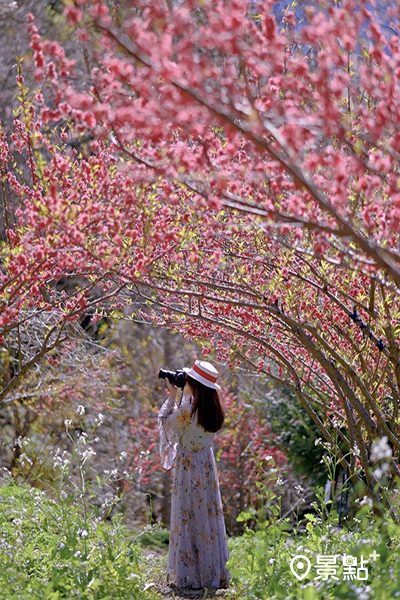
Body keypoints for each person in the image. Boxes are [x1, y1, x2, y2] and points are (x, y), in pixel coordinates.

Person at [158, 359, 230, 590]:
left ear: (196, 385)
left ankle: (190, 574)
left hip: (188, 468)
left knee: (188, 515)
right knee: (207, 515)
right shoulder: (213, 410)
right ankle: (211, 571)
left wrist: (171, 395)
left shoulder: (187, 411)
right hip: (206, 466)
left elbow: (166, 423)